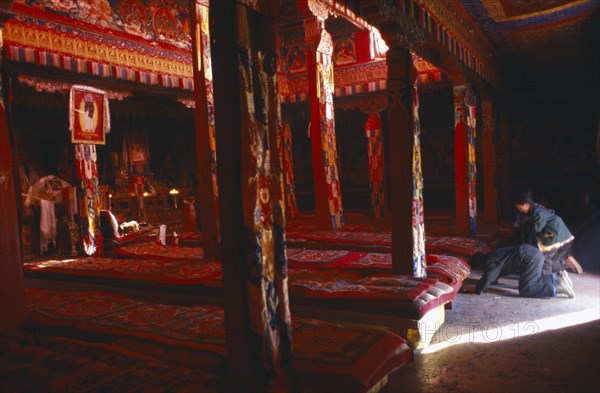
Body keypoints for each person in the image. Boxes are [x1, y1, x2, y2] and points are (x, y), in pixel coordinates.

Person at [514, 190, 583, 274]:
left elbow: (536, 229)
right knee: (546, 260)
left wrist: (524, 225)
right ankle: (564, 260)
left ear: (526, 205)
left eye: (520, 208)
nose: (520, 210)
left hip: (556, 237)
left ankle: (558, 269)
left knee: (543, 261)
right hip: (561, 237)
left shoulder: (537, 212)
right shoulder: (536, 209)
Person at [471, 244, 574, 298]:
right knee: (534, 278)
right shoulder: (493, 255)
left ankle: (556, 288)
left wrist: (477, 290)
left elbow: (490, 276)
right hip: (532, 254)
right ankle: (556, 278)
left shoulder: (490, 260)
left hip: (529, 258)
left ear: (480, 263)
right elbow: (495, 274)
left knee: (527, 288)